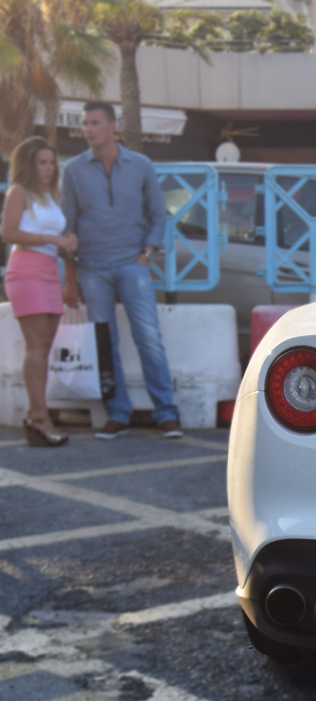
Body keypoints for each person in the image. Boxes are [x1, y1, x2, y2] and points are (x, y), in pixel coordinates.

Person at [62, 100, 182, 439]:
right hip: (91, 268)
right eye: (85, 123)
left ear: (113, 127)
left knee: (149, 338)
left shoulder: (141, 164)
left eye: (94, 123)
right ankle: (117, 412)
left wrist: (147, 252)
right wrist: (70, 278)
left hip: (133, 263)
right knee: (105, 342)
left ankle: (166, 412)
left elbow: (158, 214)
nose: (88, 129)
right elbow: (67, 228)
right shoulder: (72, 170)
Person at [1, 137, 78, 447]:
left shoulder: (49, 195)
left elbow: (55, 239)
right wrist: (54, 239)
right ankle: (39, 416)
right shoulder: (19, 192)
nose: (48, 169)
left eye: (51, 162)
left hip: (48, 270)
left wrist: (66, 241)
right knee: (37, 345)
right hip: (26, 269)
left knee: (45, 346)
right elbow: (7, 232)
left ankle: (37, 415)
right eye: (41, 162)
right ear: (28, 165)